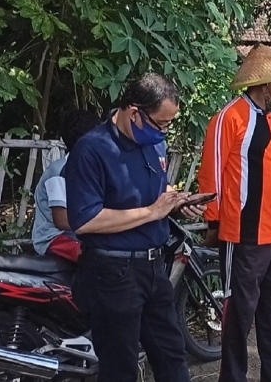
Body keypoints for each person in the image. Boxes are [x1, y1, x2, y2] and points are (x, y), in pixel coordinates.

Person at [65, 73, 205, 382]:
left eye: (170, 124)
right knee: (121, 367)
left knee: (172, 356)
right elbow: (85, 220)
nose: (165, 132)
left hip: (154, 268)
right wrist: (152, 212)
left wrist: (177, 203)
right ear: (134, 113)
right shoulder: (91, 150)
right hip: (113, 272)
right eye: (161, 123)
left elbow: (157, 189)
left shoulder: (152, 142)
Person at [198, 44, 271, 382]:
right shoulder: (230, 117)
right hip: (244, 236)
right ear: (264, 81)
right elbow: (211, 174)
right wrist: (214, 221)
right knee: (238, 319)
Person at [32, 109, 101, 262]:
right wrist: (101, 225)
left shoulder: (88, 169)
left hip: (79, 234)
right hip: (54, 238)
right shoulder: (60, 172)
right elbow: (62, 221)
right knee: (99, 258)